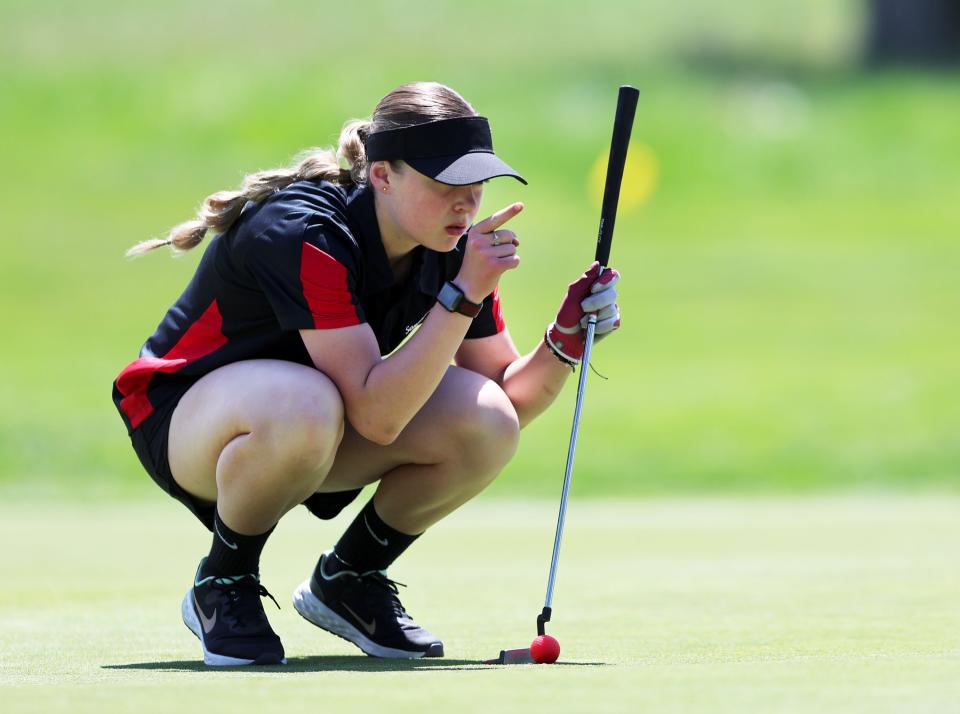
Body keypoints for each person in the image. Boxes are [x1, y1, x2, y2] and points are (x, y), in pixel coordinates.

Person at [112, 81, 622, 666]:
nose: (466, 204)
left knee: (486, 422)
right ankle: (222, 583)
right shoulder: (307, 233)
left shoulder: (449, 244)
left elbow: (508, 402)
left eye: (476, 186)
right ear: (382, 175)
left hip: (315, 421)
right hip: (185, 420)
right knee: (305, 403)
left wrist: (565, 339)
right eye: (445, 185)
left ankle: (350, 580)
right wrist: (462, 295)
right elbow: (378, 418)